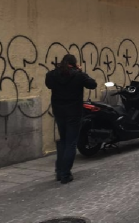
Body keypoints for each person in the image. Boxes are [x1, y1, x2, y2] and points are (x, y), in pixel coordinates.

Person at [45, 54, 97, 184]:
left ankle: (59, 171)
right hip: (74, 112)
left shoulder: (52, 75)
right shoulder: (78, 75)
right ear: (74, 63)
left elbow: (48, 84)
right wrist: (80, 71)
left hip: (59, 111)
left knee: (63, 140)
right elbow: (93, 84)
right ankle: (65, 174)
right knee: (71, 142)